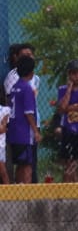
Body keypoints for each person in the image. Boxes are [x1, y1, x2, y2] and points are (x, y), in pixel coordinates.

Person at [5, 55, 40, 186]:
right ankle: (26, 195)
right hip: (25, 134)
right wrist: (36, 131)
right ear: (31, 73)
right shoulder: (27, 89)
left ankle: (18, 193)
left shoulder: (14, 87)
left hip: (14, 133)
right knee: (27, 166)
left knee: (20, 165)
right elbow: (29, 113)